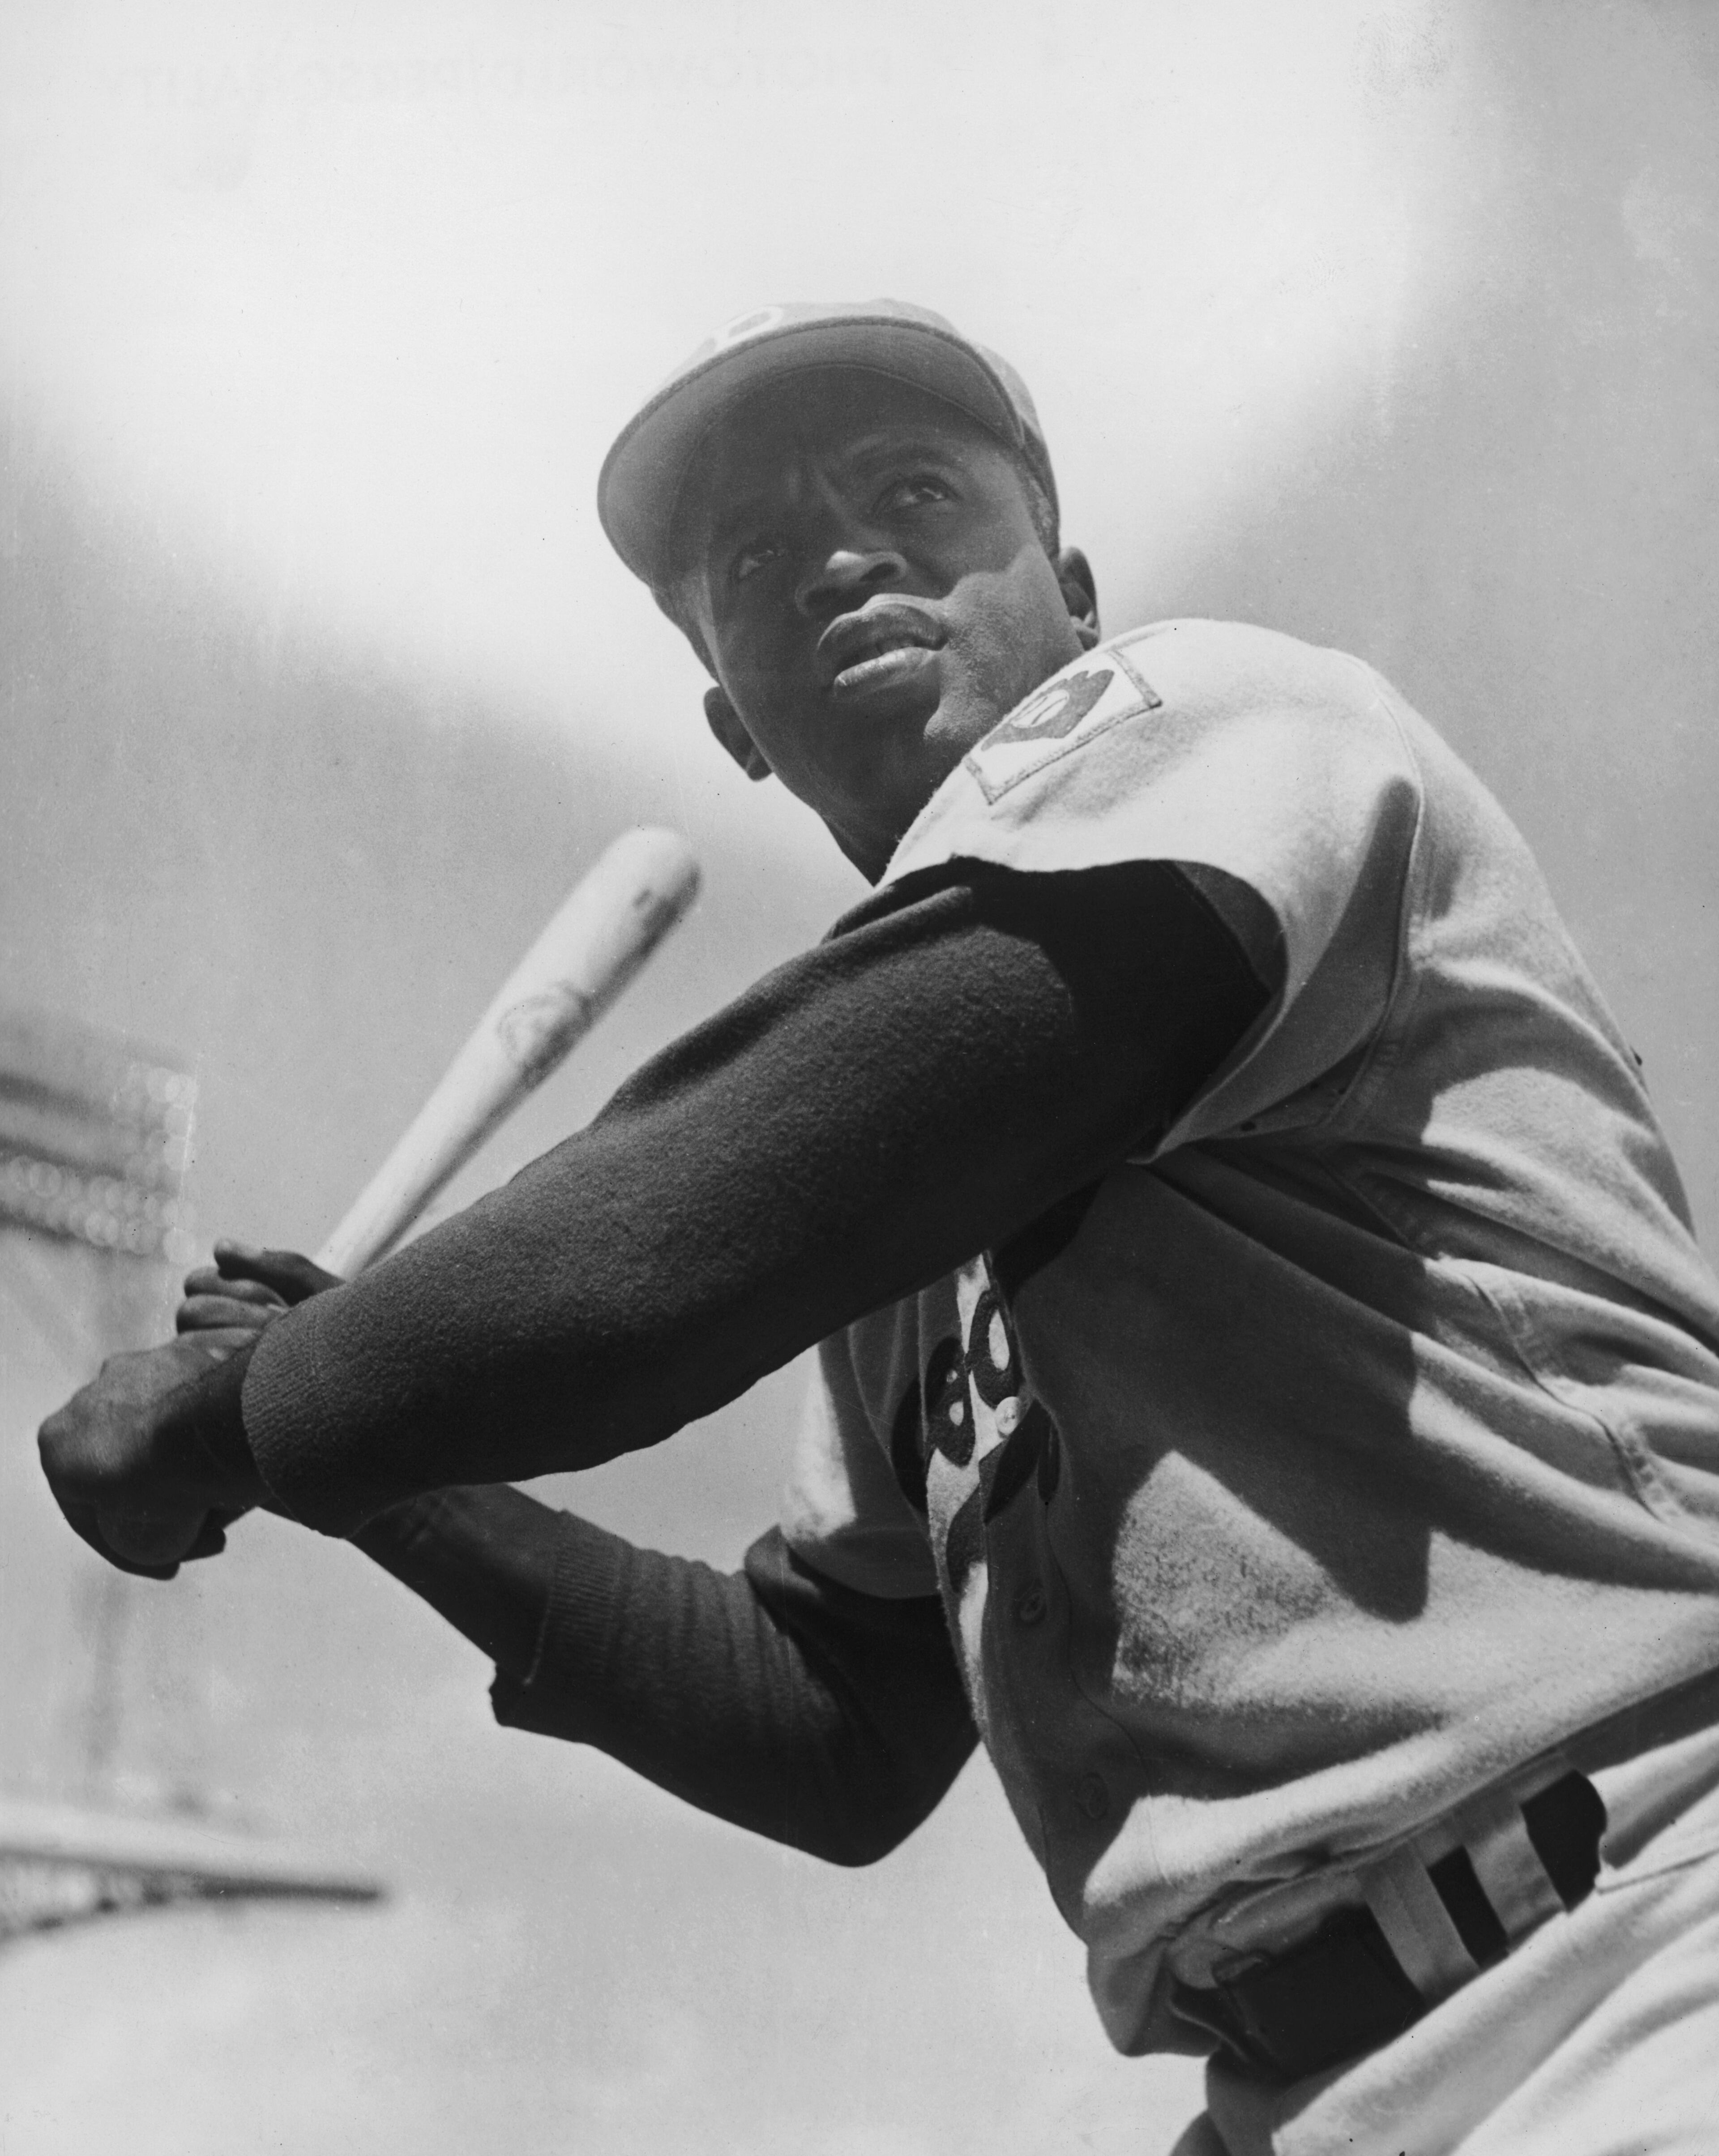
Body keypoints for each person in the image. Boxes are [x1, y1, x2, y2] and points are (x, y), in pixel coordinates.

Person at [38, 299, 1719, 2154]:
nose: (840, 557)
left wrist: (262, 1406)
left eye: (914, 492)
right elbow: (835, 1721)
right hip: (1307, 2085)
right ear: (733, 724)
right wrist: (369, 1465)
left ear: (1073, 592)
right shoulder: (901, 1201)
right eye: (760, 561)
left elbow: (677, 1239)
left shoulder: (1236, 728)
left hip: (1646, 1942)